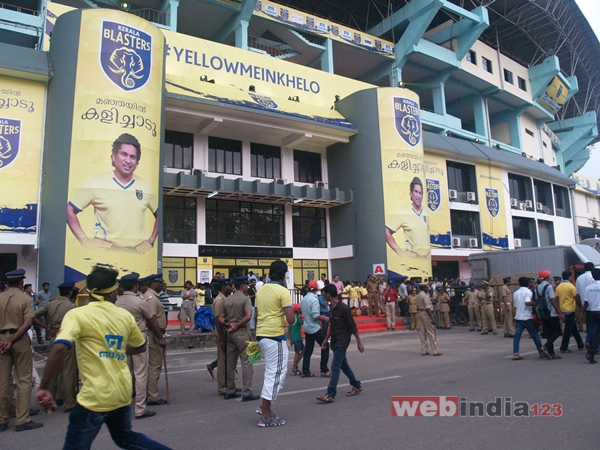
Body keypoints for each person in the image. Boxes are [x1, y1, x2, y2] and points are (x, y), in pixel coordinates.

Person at [36, 265, 170, 449]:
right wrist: (116, 348)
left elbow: (60, 348)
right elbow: (140, 347)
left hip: (94, 398)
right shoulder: (124, 316)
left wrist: (44, 387)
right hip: (121, 395)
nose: (117, 293)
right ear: (110, 293)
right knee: (127, 439)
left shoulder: (77, 315)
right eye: (115, 289)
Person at [66, 133, 158, 252]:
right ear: (114, 156)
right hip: (106, 253)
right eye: (123, 154)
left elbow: (160, 215)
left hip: (137, 254)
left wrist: (151, 240)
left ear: (137, 162)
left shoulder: (145, 187)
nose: (128, 160)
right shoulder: (96, 182)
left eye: (132, 157)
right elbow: (69, 211)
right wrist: (85, 241)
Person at [115, 273, 167, 419]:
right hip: (138, 338)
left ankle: (122, 404)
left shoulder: (118, 302)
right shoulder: (139, 301)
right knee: (140, 373)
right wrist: (160, 338)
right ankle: (140, 408)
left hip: (123, 338)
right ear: (134, 286)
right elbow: (152, 321)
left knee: (125, 371)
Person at [0, 269, 43, 432]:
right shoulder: (25, 299)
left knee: (3, 381)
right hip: (19, 340)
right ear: (21, 283)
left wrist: (3, 341)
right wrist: (11, 340)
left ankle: (2, 419)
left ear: (6, 283)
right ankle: (22, 419)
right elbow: (27, 323)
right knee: (23, 379)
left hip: (1, 341)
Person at [255, 260, 295, 427]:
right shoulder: (282, 291)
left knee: (271, 372)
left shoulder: (261, 290)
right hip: (274, 336)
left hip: (262, 334)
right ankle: (265, 414)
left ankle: (265, 407)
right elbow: (290, 318)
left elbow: (257, 314)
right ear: (284, 275)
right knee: (276, 374)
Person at [33, 281, 78, 413]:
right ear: (70, 292)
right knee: (68, 370)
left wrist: (45, 326)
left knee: (53, 369)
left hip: (53, 336)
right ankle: (69, 402)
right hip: (67, 338)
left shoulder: (50, 304)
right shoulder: (71, 306)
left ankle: (52, 398)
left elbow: (33, 316)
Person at [316, 284, 364, 403]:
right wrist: (325, 339)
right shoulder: (332, 308)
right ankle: (356, 384)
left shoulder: (343, 308)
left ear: (328, 295)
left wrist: (359, 342)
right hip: (335, 340)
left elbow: (353, 326)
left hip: (342, 341)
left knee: (335, 367)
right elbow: (332, 326)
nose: (323, 296)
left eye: (324, 294)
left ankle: (330, 393)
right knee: (343, 365)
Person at [219, 277, 259, 401]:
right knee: (247, 362)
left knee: (230, 363)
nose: (247, 287)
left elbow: (220, 317)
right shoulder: (245, 298)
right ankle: (247, 391)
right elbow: (248, 316)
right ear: (242, 286)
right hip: (242, 331)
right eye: (246, 285)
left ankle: (229, 390)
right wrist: (236, 325)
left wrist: (228, 324)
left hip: (229, 333)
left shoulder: (227, 299)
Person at [385, 177, 430, 258]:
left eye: (420, 193)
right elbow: (386, 232)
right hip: (413, 260)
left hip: (426, 259)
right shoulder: (403, 212)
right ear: (411, 193)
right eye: (416, 192)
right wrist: (400, 252)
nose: (418, 195)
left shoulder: (426, 212)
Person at [206, 279, 236, 396]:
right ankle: (222, 387)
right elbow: (218, 322)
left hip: (226, 333)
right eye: (230, 286)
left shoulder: (225, 299)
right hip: (222, 333)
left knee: (229, 361)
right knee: (223, 361)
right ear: (223, 287)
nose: (232, 288)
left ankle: (229, 385)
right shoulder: (219, 301)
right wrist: (222, 339)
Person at [143, 274, 168, 406]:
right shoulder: (152, 298)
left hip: (155, 333)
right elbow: (151, 320)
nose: (162, 285)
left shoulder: (152, 296)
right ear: (154, 283)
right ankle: (152, 395)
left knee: (153, 364)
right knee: (155, 365)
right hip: (153, 335)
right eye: (160, 283)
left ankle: (150, 392)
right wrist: (160, 337)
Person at [512, 276, 550, 360]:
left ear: (519, 283)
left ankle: (516, 353)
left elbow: (515, 305)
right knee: (535, 335)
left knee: (517, 336)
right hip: (527, 317)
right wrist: (536, 303)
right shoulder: (528, 292)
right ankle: (541, 352)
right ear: (528, 283)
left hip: (518, 316)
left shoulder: (515, 293)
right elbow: (527, 303)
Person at [301, 280, 330, 378]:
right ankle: (324, 369)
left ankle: (305, 370)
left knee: (308, 349)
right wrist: (324, 318)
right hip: (314, 327)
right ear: (316, 289)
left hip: (307, 326)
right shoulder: (314, 300)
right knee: (325, 345)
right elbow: (315, 315)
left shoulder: (304, 298)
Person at [537, 270, 564, 359]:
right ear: (547, 277)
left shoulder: (537, 287)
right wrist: (559, 312)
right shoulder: (548, 287)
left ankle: (551, 352)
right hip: (551, 313)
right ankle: (546, 346)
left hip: (543, 313)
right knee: (557, 331)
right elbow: (552, 300)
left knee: (549, 333)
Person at [556, 270, 584, 353]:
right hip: (570, 309)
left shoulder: (559, 287)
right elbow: (576, 297)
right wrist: (580, 306)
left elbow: (556, 299)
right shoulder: (571, 286)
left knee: (573, 327)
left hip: (563, 308)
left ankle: (580, 344)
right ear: (569, 277)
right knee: (568, 329)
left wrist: (558, 311)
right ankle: (564, 347)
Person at [416, 282, 442, 356]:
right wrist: (432, 318)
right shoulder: (425, 296)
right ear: (424, 288)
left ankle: (424, 350)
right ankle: (435, 350)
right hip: (426, 314)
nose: (428, 288)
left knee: (422, 333)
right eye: (427, 287)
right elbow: (427, 308)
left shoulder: (418, 295)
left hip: (420, 313)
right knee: (431, 332)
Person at [582, 268, 600, 363]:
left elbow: (586, 303)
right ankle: (591, 351)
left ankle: (591, 346)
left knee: (597, 331)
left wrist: (583, 313)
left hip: (593, 312)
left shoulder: (588, 288)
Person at [576, 262, 596, 348]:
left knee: (589, 326)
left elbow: (577, 295)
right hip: (594, 305)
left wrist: (581, 307)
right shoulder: (593, 277)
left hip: (585, 306)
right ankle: (592, 343)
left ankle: (589, 342)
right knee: (595, 327)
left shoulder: (579, 278)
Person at [289, 304, 304, 376]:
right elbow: (303, 323)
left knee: (303, 351)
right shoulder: (297, 318)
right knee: (297, 353)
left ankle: (295, 364)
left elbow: (289, 330)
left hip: (295, 338)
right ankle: (294, 367)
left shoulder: (291, 319)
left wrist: (291, 339)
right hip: (298, 338)